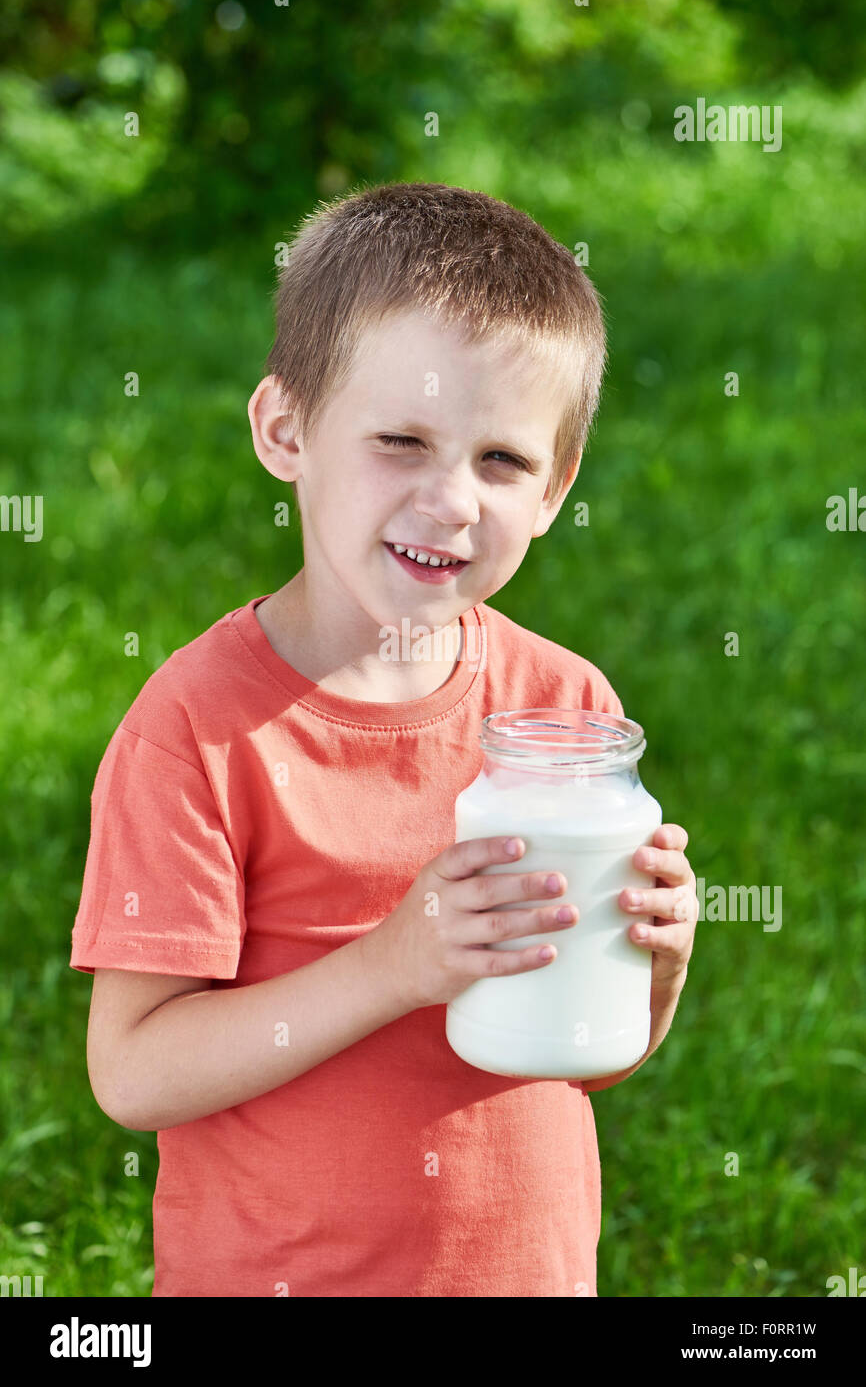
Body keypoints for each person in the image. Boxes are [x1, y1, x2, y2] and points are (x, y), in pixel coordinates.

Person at [70, 181, 697, 1297]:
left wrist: (652, 967)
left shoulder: (562, 713)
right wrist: (391, 968)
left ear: (555, 490)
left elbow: (591, 1055)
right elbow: (132, 1071)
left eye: (500, 461)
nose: (450, 499)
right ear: (285, 430)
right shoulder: (200, 729)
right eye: (401, 440)